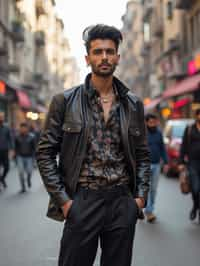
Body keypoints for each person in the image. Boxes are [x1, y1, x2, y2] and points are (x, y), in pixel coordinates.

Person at [36, 24, 150, 266]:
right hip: (83, 201)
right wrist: (65, 202)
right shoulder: (65, 101)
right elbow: (45, 153)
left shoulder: (133, 104)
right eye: (98, 52)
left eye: (110, 51)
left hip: (122, 201)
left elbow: (142, 155)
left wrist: (139, 199)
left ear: (118, 57)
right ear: (88, 58)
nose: (104, 57)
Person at [144, 113, 168, 223]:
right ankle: (149, 211)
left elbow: (162, 148)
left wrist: (166, 162)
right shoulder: (143, 134)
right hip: (145, 165)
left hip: (157, 165)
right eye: (150, 122)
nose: (152, 124)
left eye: (154, 122)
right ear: (146, 122)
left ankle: (149, 208)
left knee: (153, 189)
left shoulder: (159, 133)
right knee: (147, 188)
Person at [179, 108, 200, 223]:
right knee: (196, 188)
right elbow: (183, 146)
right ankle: (195, 207)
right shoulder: (190, 129)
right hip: (193, 163)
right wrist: (181, 162)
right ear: (196, 116)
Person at [15, 123, 36, 193]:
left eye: (24, 128)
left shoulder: (32, 137)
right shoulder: (17, 137)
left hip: (29, 157)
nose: (23, 129)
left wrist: (34, 158)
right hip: (20, 157)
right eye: (22, 128)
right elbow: (15, 147)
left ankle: (28, 179)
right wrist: (15, 156)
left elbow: (34, 148)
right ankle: (23, 187)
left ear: (27, 128)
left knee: (29, 171)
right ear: (20, 129)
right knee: (20, 172)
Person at [0, 112, 14, 190]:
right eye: (0, 117)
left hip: (5, 151)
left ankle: (2, 178)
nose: (1, 118)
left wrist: (12, 149)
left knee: (7, 167)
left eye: (2, 117)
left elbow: (10, 139)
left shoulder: (6, 128)